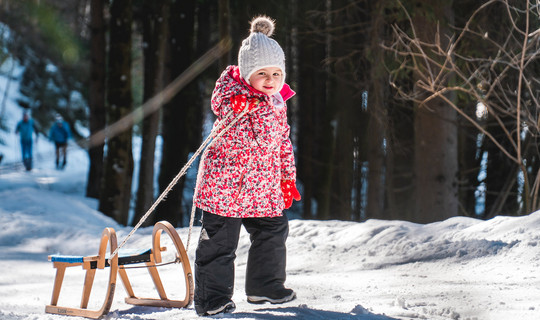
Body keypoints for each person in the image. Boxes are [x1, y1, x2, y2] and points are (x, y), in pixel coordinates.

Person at [192, 16, 301, 316]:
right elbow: (228, 118)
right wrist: (239, 106)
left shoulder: (277, 103)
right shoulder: (233, 98)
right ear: (245, 74)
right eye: (262, 73)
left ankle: (264, 286)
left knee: (273, 231)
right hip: (226, 188)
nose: (270, 80)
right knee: (220, 244)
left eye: (276, 73)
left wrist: (286, 178)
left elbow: (282, 144)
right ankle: (211, 299)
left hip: (262, 187)